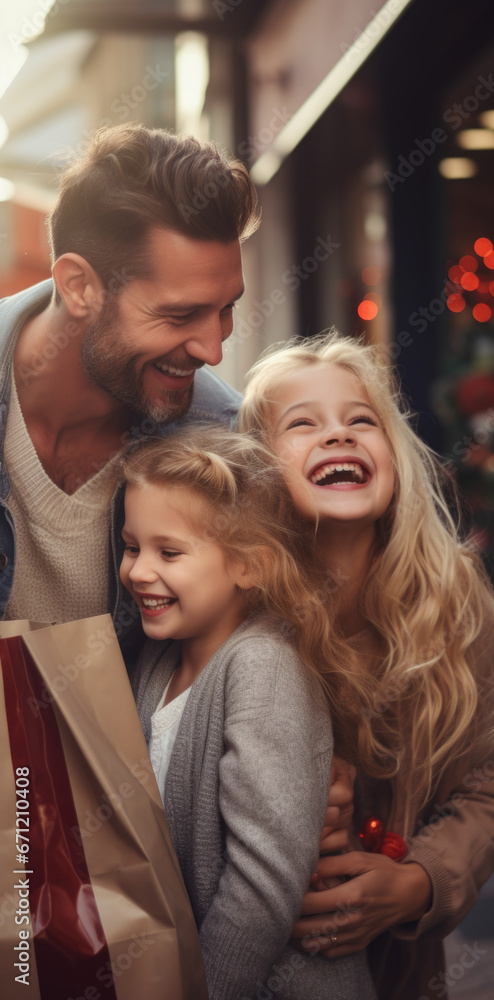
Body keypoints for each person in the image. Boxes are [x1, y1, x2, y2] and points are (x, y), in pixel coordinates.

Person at [239, 331, 494, 1000]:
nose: (339, 436)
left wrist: (419, 881)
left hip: (403, 977)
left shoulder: (453, 598)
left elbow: (491, 779)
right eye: (304, 424)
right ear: (257, 466)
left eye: (362, 421)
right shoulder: (235, 607)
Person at [119, 425, 377, 1000]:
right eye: (132, 546)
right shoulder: (158, 659)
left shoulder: (264, 666)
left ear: (249, 566)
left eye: (170, 552)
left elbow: (264, 884)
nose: (137, 571)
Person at [0, 122, 259, 661]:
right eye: (180, 314)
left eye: (226, 309)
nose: (213, 349)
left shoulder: (223, 446)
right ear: (78, 287)